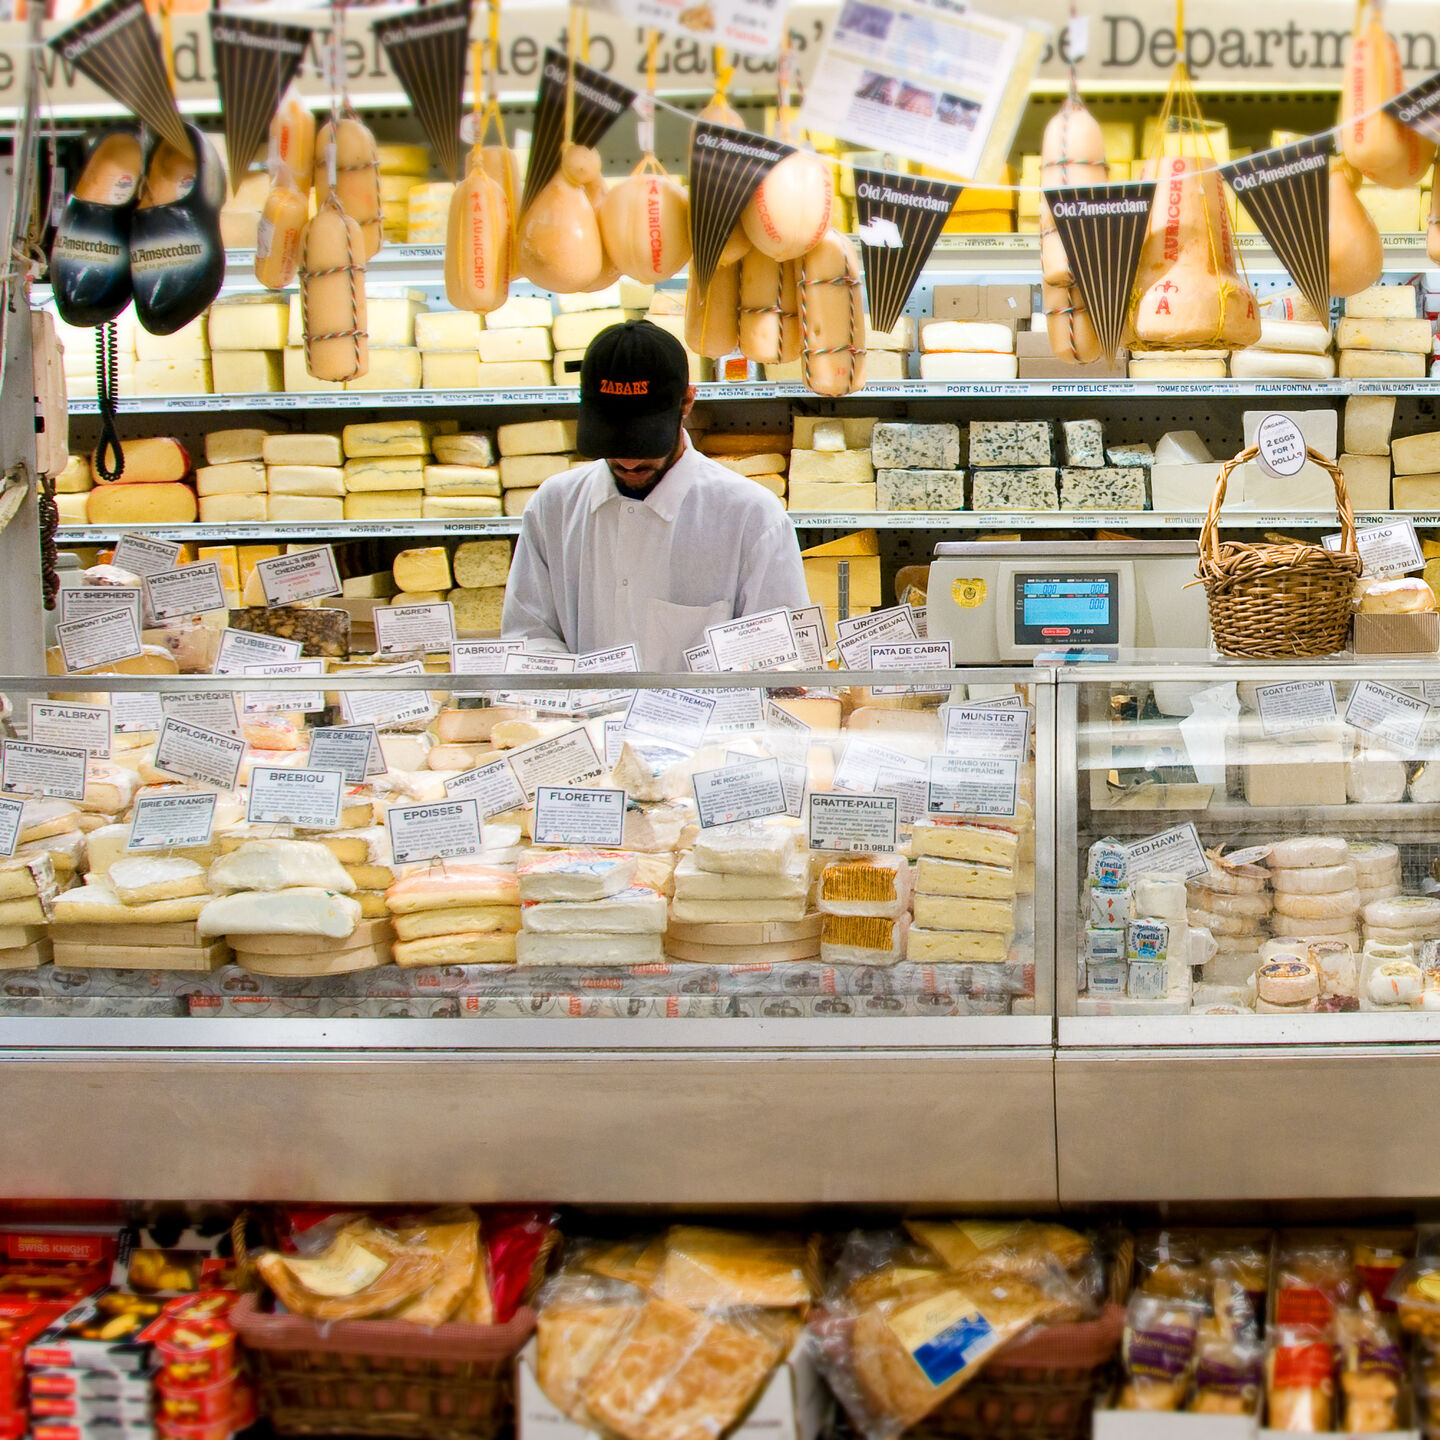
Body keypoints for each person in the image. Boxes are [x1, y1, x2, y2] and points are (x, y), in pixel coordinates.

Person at [502, 320, 809, 669]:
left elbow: (776, 661)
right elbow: (529, 637)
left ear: (688, 402)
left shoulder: (751, 516)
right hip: (579, 722)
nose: (629, 460)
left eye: (646, 440)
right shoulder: (553, 506)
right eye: (612, 441)